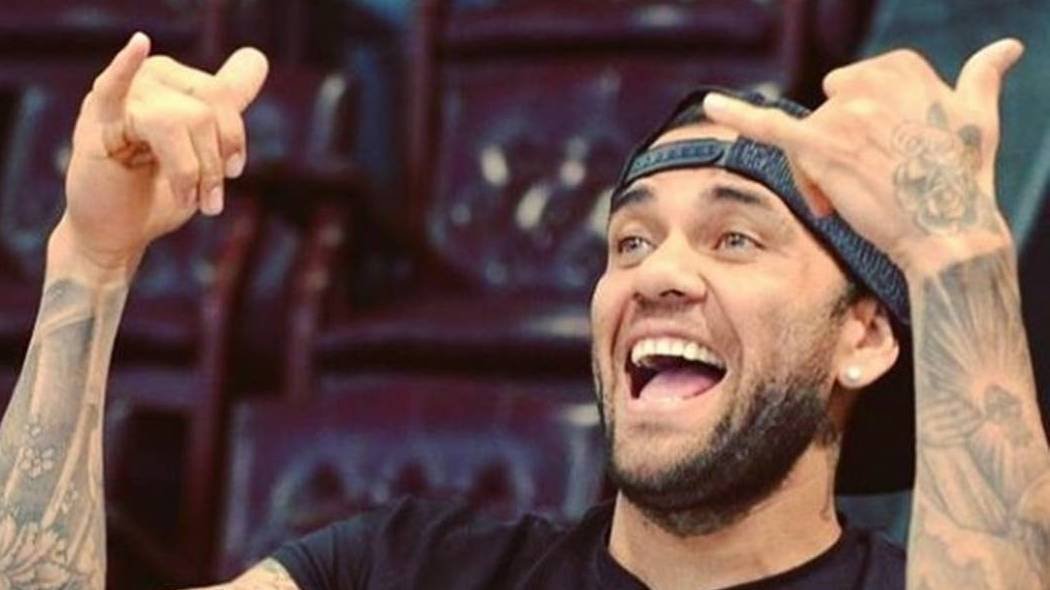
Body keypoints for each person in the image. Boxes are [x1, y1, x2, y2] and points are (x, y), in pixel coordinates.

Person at [0, 29, 1046, 589]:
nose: (659, 273)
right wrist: (90, 259)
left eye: (735, 238)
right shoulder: (408, 567)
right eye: (630, 240)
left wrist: (957, 258)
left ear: (864, 334)